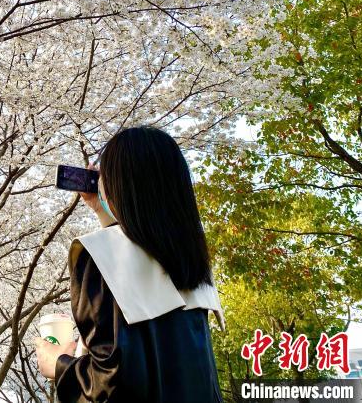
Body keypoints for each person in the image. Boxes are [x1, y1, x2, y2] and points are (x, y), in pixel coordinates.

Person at [34, 126, 225, 402]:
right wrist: (103, 211)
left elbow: (107, 384)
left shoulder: (97, 256)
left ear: (119, 186)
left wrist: (58, 364)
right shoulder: (190, 260)